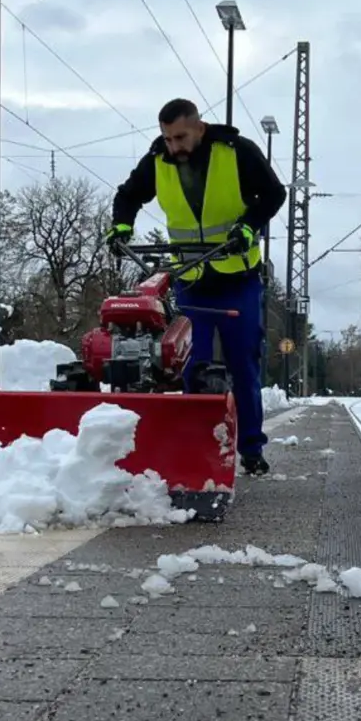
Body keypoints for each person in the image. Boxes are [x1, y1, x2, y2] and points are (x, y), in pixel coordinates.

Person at [106, 97, 287, 475]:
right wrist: (121, 226)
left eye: (180, 137)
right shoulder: (157, 160)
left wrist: (249, 226)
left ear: (199, 128)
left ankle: (251, 449)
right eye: (168, 139)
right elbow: (128, 194)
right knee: (192, 361)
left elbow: (273, 194)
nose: (174, 147)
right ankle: (200, 450)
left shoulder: (236, 152)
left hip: (237, 277)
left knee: (244, 363)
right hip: (191, 280)